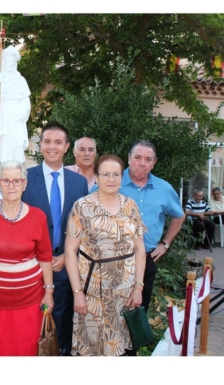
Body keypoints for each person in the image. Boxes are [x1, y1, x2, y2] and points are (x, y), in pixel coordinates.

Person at [65, 155, 146, 356]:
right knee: (91, 349)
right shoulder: (82, 206)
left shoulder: (130, 206)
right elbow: (69, 251)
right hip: (92, 291)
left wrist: (138, 286)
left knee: (120, 350)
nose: (111, 179)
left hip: (124, 292)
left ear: (122, 177)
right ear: (97, 177)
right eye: (106, 174)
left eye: (116, 174)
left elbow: (140, 249)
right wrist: (77, 293)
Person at [22, 122, 88, 356]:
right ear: (40, 146)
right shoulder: (25, 179)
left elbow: (83, 226)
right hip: (31, 266)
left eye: (58, 142)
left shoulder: (79, 183)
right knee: (29, 324)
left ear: (67, 147)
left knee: (60, 324)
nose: (52, 146)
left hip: (65, 265)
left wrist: (64, 257)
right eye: (47, 141)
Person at [0, 160, 54, 356]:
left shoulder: (38, 216)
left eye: (17, 181)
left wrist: (49, 292)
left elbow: (45, 256)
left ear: (25, 184)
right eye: (6, 181)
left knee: (25, 352)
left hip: (29, 304)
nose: (11, 186)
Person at [120, 140, 184, 315]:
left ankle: (133, 344)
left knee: (138, 314)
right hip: (113, 260)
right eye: (138, 157)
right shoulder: (111, 181)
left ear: (154, 163)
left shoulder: (164, 188)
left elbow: (179, 216)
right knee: (110, 314)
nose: (142, 163)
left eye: (148, 159)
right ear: (129, 158)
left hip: (147, 260)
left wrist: (165, 243)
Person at [0, 45, 31, 164]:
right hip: (3, 115)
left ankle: (17, 169)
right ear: (3, 62)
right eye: (8, 61)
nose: (10, 63)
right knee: (2, 143)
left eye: (13, 61)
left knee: (18, 142)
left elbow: (26, 100)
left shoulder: (21, 80)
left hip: (17, 115)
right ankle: (2, 169)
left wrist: (23, 112)